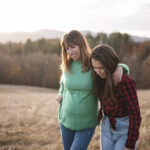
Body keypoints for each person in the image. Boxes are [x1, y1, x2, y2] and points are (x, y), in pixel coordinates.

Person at [56, 30, 129, 150]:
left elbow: (111, 66)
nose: (70, 52)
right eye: (67, 49)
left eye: (73, 47)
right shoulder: (67, 64)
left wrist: (121, 67)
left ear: (81, 45)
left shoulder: (93, 62)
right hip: (66, 119)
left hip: (86, 122)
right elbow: (63, 83)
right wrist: (60, 93)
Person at [90, 44, 142, 150]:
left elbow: (135, 114)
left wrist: (130, 143)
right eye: (94, 67)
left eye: (100, 68)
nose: (97, 71)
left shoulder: (126, 82)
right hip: (106, 127)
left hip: (124, 129)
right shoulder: (98, 77)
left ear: (109, 64)